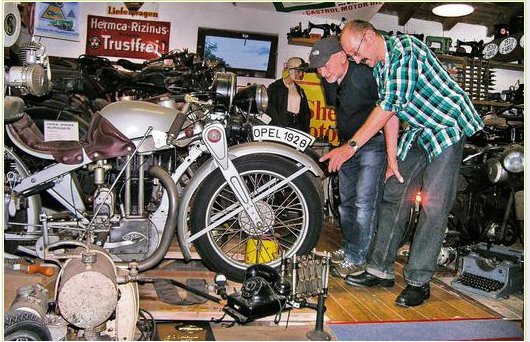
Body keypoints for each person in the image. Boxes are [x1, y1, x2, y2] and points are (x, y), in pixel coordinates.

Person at [320, 20, 483, 307]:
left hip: (447, 127)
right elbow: (393, 115)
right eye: (353, 57)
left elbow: (387, 108)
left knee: (434, 206)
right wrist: (392, 160)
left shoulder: (406, 51)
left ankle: (419, 281)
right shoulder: (381, 66)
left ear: (370, 36)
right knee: (394, 191)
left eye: (356, 53)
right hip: (420, 130)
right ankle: (380, 269)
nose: (358, 61)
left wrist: (349, 148)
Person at [308, 37, 385, 278]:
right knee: (346, 201)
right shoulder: (329, 80)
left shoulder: (364, 75)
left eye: (326, 65)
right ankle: (351, 249)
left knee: (364, 203)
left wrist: (391, 155)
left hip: (372, 144)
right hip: (346, 146)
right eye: (318, 67)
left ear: (342, 57)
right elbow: (342, 109)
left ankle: (360, 258)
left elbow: (390, 107)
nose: (322, 72)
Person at [266, 57, 312, 133]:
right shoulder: (275, 87)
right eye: (299, 71)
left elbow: (306, 113)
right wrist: (278, 123)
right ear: (291, 70)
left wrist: (305, 130)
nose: (301, 73)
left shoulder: (299, 89)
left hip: (297, 126)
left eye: (301, 71)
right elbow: (269, 107)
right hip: (281, 126)